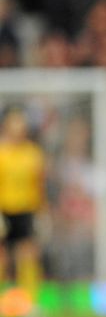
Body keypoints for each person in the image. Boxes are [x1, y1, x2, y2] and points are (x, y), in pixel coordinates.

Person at [0, 108, 45, 302]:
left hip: (26, 209)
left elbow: (39, 184)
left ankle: (29, 301)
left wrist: (43, 211)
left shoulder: (33, 153)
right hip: (4, 208)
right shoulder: (1, 152)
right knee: (2, 256)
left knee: (27, 253)